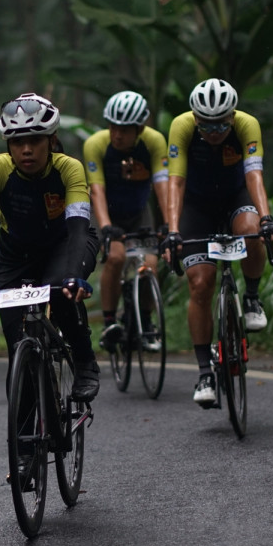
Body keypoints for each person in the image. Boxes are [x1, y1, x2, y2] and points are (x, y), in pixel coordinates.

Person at [0, 93, 102, 403]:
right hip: (16, 255)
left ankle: (85, 363)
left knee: (61, 291)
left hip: (66, 244)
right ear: (8, 145)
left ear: (52, 140)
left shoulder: (69, 168)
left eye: (35, 140)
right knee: (17, 349)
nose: (27, 149)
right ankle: (22, 430)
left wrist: (73, 276)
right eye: (18, 142)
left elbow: (77, 228)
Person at [162, 78, 273, 408]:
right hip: (196, 208)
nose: (214, 131)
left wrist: (267, 219)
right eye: (205, 124)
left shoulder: (247, 125)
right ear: (194, 117)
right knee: (201, 283)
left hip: (235, 199)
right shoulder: (181, 126)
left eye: (221, 123)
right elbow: (176, 182)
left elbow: (254, 175)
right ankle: (205, 372)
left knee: (252, 229)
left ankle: (252, 298)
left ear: (233, 116)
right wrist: (172, 230)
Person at [83, 90, 170, 353]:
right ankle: (110, 322)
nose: (117, 134)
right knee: (116, 257)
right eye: (113, 127)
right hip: (104, 212)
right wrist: (106, 228)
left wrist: (169, 224)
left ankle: (146, 320)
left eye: (124, 129)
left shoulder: (154, 142)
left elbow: (163, 185)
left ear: (139, 129)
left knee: (150, 266)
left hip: (138, 212)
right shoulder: (96, 144)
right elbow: (96, 190)